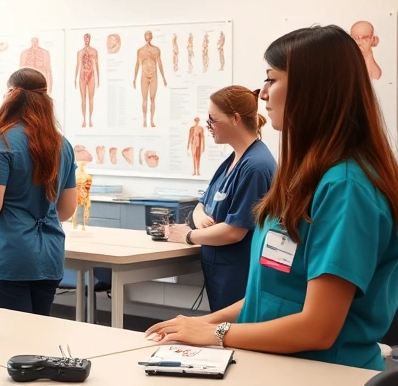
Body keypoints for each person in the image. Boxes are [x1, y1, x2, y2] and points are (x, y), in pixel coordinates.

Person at [146, 25, 398, 370]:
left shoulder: (346, 187)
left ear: (312, 88)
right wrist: (199, 324)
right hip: (275, 363)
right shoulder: (304, 176)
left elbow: (318, 329)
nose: (262, 95)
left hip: (326, 371)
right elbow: (270, 295)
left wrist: (216, 333)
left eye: (272, 79)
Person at [164, 85, 277, 312]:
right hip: (221, 272)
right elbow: (202, 203)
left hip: (238, 275)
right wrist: (200, 216)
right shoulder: (234, 160)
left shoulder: (255, 166)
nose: (208, 127)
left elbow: (235, 231)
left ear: (235, 119)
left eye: (212, 120)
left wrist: (187, 235)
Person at [0, 68, 77, 315]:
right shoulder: (62, 144)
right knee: (37, 338)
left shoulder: (2, 141)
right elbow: (66, 210)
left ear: (11, 94)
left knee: (11, 340)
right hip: (50, 255)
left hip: (11, 255)